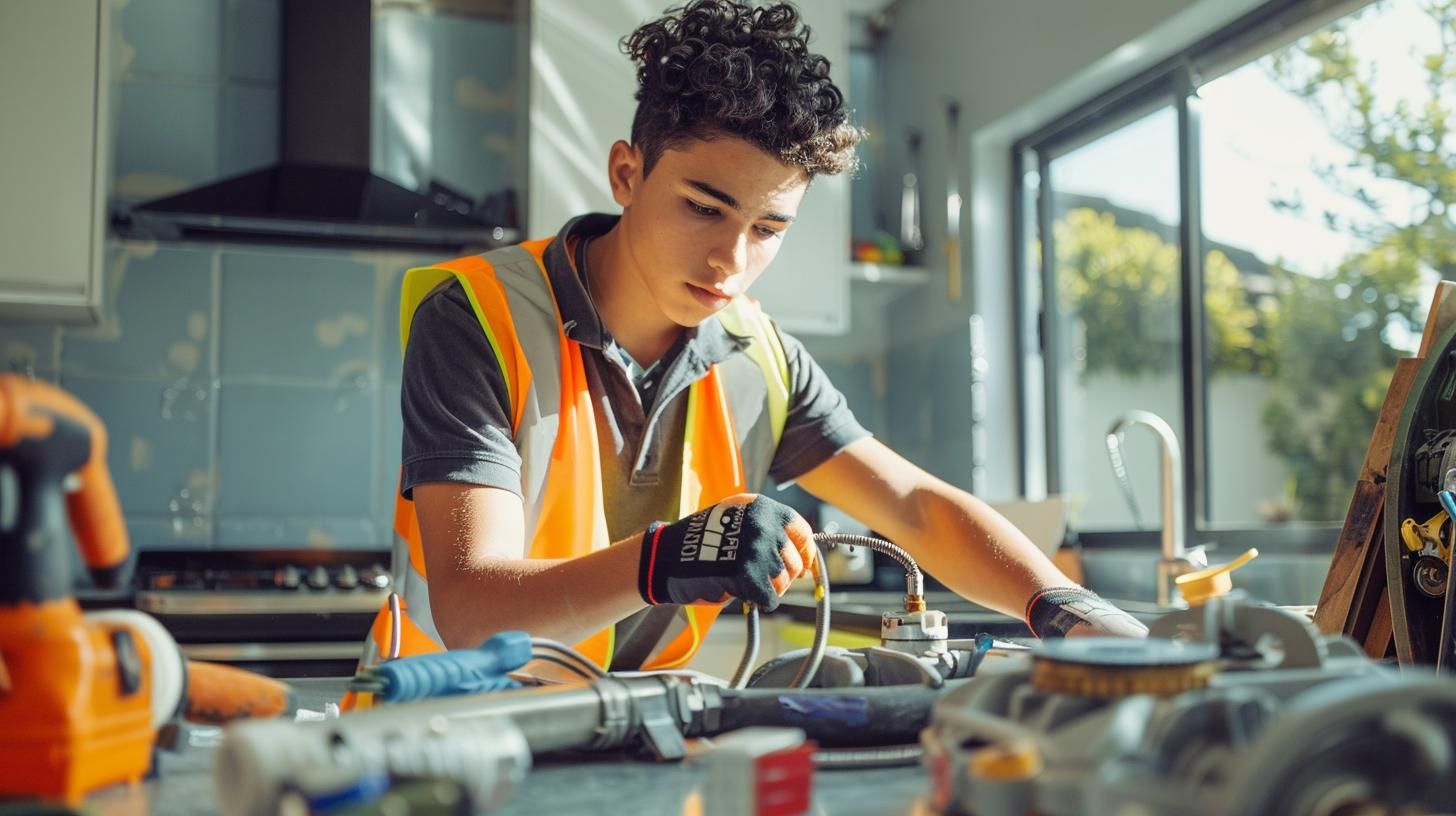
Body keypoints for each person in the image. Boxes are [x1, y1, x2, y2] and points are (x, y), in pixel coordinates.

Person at [356, 0, 1146, 680]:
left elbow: (911, 508)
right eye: (704, 207)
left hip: (631, 737)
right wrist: (667, 560)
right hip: (446, 736)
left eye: (767, 228)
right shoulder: (478, 316)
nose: (731, 261)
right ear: (627, 174)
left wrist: (1062, 605)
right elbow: (471, 609)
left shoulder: (759, 355)